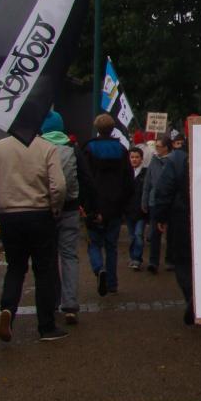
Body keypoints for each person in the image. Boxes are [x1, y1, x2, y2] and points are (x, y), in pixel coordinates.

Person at [0, 129, 67, 342]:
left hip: (9, 215)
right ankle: (46, 326)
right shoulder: (47, 148)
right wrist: (55, 208)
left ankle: (8, 310)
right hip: (40, 213)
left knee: (15, 268)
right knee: (45, 271)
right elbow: (59, 185)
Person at [40, 111, 87, 325]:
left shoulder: (36, 149)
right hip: (69, 207)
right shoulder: (72, 148)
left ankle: (51, 301)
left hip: (44, 209)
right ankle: (70, 303)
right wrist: (89, 207)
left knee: (48, 257)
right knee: (69, 256)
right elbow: (85, 178)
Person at [82, 113, 133, 296]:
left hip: (95, 204)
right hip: (115, 205)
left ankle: (98, 268)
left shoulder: (88, 149)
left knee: (94, 243)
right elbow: (129, 179)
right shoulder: (121, 149)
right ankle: (112, 282)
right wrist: (123, 203)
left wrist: (87, 205)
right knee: (112, 246)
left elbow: (85, 179)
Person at [152, 141, 192, 325]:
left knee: (182, 261)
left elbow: (164, 188)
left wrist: (161, 216)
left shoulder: (176, 159)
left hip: (181, 217)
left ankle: (191, 296)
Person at [140, 134, 171, 273]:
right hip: (155, 201)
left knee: (170, 233)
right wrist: (144, 200)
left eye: (159, 146)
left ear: (166, 148)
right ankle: (153, 262)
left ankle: (170, 260)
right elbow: (147, 182)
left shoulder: (172, 161)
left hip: (169, 201)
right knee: (154, 232)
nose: (157, 149)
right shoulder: (154, 160)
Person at [126, 146, 147, 270]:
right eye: (132, 157)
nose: (134, 160)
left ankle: (136, 259)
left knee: (138, 234)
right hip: (129, 211)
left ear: (141, 159)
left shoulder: (145, 173)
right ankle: (133, 256)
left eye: (136, 157)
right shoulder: (126, 173)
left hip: (141, 211)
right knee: (132, 236)